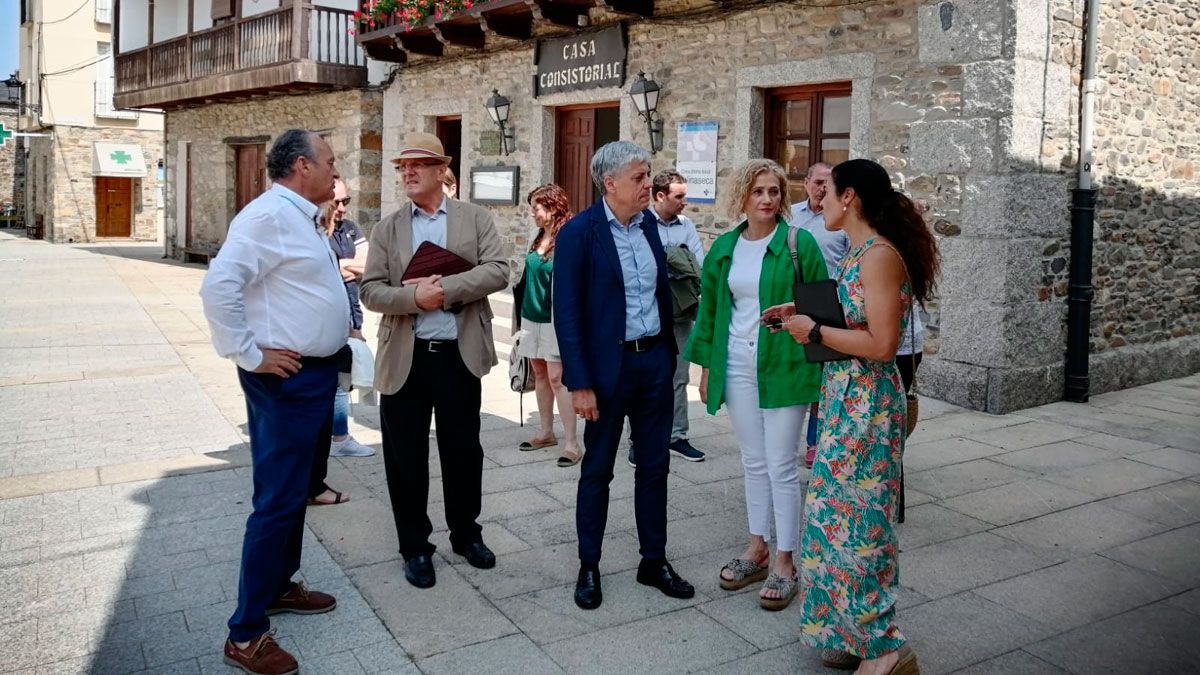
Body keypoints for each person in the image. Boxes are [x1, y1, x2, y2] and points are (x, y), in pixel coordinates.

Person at [764, 158, 939, 675]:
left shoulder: (880, 255)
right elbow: (854, 320)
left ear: (852, 197)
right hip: (844, 396)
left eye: (828, 192)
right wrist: (798, 315)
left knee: (860, 525)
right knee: (830, 520)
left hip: (868, 405)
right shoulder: (859, 251)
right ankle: (850, 630)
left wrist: (814, 333)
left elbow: (882, 344)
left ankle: (884, 649)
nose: (818, 200)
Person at [200, 129, 348, 675]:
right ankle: (245, 635)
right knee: (277, 500)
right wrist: (248, 353)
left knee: (293, 496)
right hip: (286, 381)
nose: (337, 170)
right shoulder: (266, 217)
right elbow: (218, 287)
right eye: (330, 162)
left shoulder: (300, 215)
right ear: (303, 165)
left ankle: (280, 587)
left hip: (313, 376)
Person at [359, 132, 510, 590]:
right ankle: (415, 547)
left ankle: (466, 535)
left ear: (442, 171)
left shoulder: (475, 218)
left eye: (417, 165)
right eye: (402, 166)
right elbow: (370, 290)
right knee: (404, 459)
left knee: (464, 453)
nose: (407, 172)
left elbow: (499, 270)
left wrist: (445, 291)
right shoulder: (387, 228)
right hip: (406, 360)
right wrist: (413, 297)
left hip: (458, 358)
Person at [553, 141, 695, 611]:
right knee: (597, 470)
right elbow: (567, 314)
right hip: (607, 370)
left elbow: (657, 292)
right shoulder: (579, 233)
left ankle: (653, 560)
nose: (647, 185)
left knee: (655, 467)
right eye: (638, 177)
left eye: (648, 176)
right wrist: (580, 383)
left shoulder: (650, 225)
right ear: (609, 183)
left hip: (653, 361)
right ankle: (588, 565)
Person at [684, 160, 825, 611]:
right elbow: (710, 314)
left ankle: (786, 560)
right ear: (742, 196)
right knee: (753, 460)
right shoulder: (725, 247)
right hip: (736, 363)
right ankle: (757, 546)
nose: (767, 199)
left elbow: (823, 303)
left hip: (785, 362)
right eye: (759, 191)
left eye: (774, 191)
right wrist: (707, 368)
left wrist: (796, 316)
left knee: (781, 463)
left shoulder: (799, 243)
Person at [628, 171, 707, 468]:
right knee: (643, 378)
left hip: (681, 310)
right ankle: (638, 440)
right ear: (660, 196)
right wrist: (674, 259)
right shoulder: (640, 223)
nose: (685, 202)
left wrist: (670, 260)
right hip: (648, 313)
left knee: (679, 376)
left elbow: (696, 264)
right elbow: (643, 268)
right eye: (679, 196)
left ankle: (676, 436)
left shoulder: (687, 225)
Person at [512, 184, 580, 467]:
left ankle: (572, 443)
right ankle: (546, 432)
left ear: (553, 208)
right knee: (539, 373)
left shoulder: (569, 237)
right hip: (531, 315)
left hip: (555, 319)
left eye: (536, 208)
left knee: (557, 377)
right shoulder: (539, 235)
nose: (532, 214)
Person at [789, 162, 850, 469]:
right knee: (796, 372)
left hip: (827, 306)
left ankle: (815, 441)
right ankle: (788, 435)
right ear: (806, 182)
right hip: (791, 303)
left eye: (828, 183)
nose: (822, 188)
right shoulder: (791, 215)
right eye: (818, 182)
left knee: (822, 376)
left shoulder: (839, 220)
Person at [322, 179, 375, 461]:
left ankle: (338, 435)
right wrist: (344, 266)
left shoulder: (351, 229)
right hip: (330, 318)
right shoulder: (317, 232)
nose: (342, 208)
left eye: (346, 201)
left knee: (344, 379)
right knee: (334, 379)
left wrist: (339, 265)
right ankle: (337, 437)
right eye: (337, 202)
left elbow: (370, 265)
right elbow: (320, 270)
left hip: (352, 312)